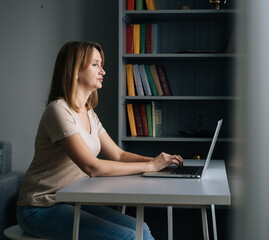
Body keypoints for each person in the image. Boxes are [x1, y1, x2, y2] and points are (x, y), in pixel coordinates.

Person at [16, 41, 183, 240]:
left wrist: (159, 162)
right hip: (40, 207)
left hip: (71, 201)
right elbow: (92, 167)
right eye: (95, 64)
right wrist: (150, 166)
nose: (102, 70)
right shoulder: (58, 110)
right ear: (75, 70)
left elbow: (118, 154)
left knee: (142, 229)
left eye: (101, 64)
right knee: (128, 237)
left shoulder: (88, 112)